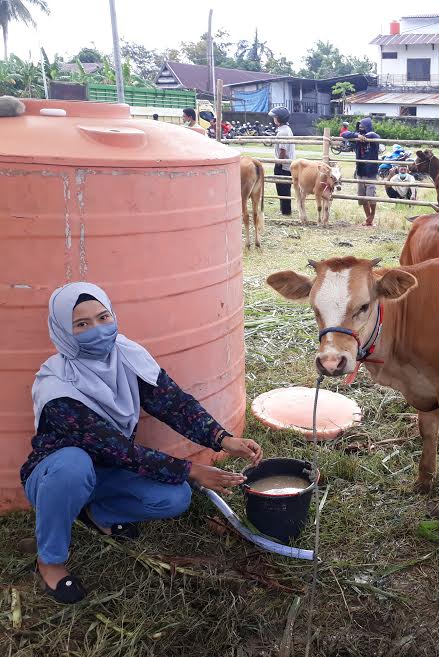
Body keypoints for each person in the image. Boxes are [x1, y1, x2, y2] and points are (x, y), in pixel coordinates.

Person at [22, 283, 263, 604]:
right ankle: (50, 561)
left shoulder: (127, 356)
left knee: (175, 497)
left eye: (103, 317)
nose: (98, 330)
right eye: (81, 324)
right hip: (55, 476)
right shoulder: (57, 386)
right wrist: (190, 468)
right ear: (63, 332)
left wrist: (222, 438)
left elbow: (173, 404)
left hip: (110, 470)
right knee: (73, 466)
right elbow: (116, 449)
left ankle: (98, 514)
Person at [341, 117, 381, 227]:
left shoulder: (373, 137)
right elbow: (344, 134)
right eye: (359, 128)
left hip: (371, 172)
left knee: (370, 196)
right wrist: (357, 136)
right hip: (360, 171)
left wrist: (364, 137)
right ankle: (369, 220)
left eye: (363, 128)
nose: (361, 130)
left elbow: (375, 136)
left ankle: (371, 216)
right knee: (361, 197)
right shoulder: (357, 137)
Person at [269, 106, 295, 216]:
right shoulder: (285, 129)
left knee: (282, 188)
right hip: (287, 164)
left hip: (283, 164)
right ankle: (285, 210)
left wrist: (279, 163)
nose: (274, 119)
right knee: (284, 187)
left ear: (279, 118)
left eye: (275, 117)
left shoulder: (283, 132)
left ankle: (285, 211)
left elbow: (283, 150)